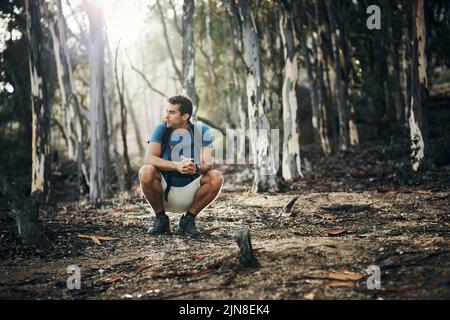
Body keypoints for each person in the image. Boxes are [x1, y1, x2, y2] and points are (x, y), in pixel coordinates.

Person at [139, 95, 223, 237]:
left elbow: (208, 163)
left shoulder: (202, 130)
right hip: (164, 191)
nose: (167, 116)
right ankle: (161, 219)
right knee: (146, 171)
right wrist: (176, 166)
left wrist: (195, 168)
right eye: (167, 111)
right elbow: (149, 158)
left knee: (216, 177)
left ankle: (188, 221)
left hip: (191, 193)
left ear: (185, 116)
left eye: (172, 112)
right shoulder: (161, 129)